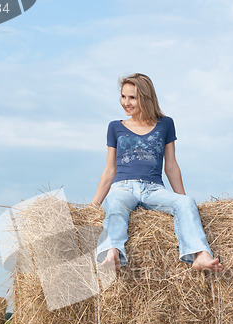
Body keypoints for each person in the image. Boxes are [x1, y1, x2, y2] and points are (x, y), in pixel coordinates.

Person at [91, 73, 223, 273]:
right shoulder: (115, 127)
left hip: (153, 189)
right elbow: (110, 170)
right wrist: (93, 205)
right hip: (123, 187)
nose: (126, 102)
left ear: (145, 98)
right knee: (116, 206)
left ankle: (201, 255)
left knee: (186, 203)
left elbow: (170, 165)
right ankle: (113, 253)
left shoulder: (165, 124)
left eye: (132, 98)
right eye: (123, 96)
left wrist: (182, 197)